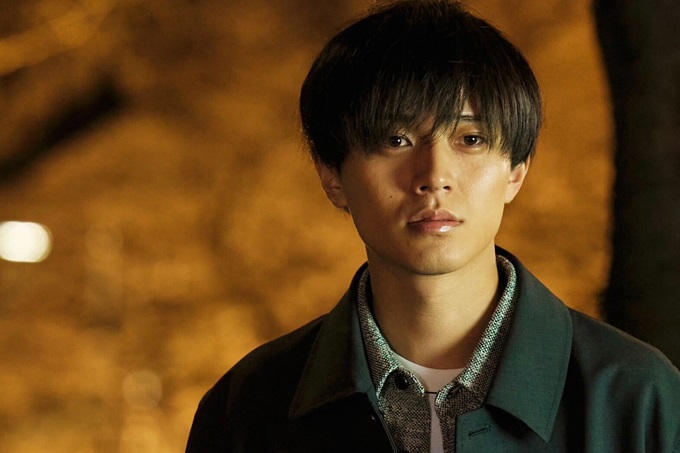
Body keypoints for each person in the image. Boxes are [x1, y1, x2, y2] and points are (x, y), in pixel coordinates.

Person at [186, 1, 680, 452]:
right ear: (332, 175)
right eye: (396, 139)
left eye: (470, 138)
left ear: (516, 170)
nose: (434, 176)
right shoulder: (248, 407)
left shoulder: (637, 398)